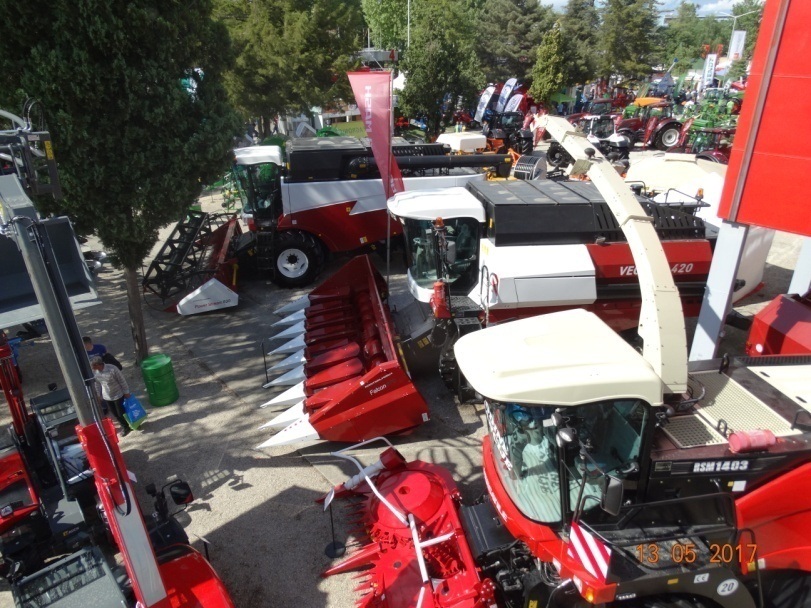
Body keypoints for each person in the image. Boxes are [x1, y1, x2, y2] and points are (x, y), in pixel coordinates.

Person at [90, 355, 132, 436]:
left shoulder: (112, 369)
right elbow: (97, 384)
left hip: (118, 394)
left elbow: (122, 381)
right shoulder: (95, 372)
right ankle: (125, 426)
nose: (92, 368)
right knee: (115, 414)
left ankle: (127, 426)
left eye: (93, 366)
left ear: (98, 364)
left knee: (121, 413)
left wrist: (126, 392)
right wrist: (98, 395)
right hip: (107, 396)